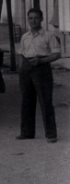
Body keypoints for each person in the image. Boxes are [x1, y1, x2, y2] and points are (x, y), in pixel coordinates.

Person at [17, 8, 61, 143]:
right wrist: (22, 67)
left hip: (42, 68)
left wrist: (41, 61)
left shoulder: (48, 35)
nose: (33, 21)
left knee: (45, 101)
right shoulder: (25, 36)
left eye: (36, 18)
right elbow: (21, 53)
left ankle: (51, 134)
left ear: (41, 19)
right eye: (30, 18)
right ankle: (27, 133)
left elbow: (56, 54)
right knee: (27, 101)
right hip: (26, 68)